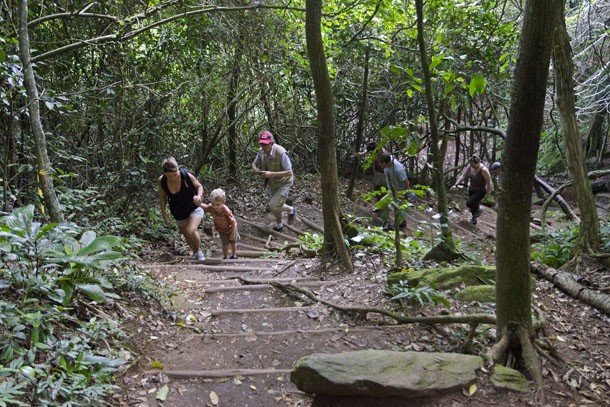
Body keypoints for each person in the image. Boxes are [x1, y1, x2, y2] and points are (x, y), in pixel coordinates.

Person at [159, 157, 206, 260]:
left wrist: (199, 196)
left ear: (177, 170)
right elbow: (162, 197)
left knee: (191, 230)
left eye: (174, 175)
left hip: (193, 207)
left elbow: (199, 186)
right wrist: (164, 213)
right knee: (186, 234)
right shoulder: (162, 180)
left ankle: (199, 252)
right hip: (178, 212)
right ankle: (195, 253)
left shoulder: (186, 176)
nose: (172, 178)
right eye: (169, 176)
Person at [251, 130, 296, 232]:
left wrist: (271, 174)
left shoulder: (281, 152)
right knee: (275, 205)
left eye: (266, 145)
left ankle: (290, 210)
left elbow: (289, 172)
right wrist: (255, 169)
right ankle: (279, 224)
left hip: (284, 182)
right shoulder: (261, 151)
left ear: (272, 143)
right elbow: (254, 163)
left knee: (272, 206)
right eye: (262, 144)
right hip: (272, 183)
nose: (263, 147)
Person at [450, 155, 494, 225]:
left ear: (478, 163)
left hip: (480, 191)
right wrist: (456, 184)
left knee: (469, 203)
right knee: (473, 205)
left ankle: (478, 211)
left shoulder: (484, 170)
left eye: (473, 164)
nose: (472, 166)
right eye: (471, 164)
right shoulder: (470, 166)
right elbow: (463, 176)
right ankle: (474, 219)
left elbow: (489, 183)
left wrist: (487, 194)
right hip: (472, 189)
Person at [199, 188, 239, 260]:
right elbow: (205, 207)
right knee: (225, 244)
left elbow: (233, 221)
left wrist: (233, 233)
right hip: (221, 230)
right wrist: (198, 203)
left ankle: (234, 255)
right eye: (213, 204)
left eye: (218, 204)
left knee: (233, 242)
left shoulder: (226, 211)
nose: (215, 206)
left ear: (223, 202)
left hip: (231, 228)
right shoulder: (211, 208)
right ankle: (225, 257)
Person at [379, 152, 411, 229]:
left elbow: (407, 182)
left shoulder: (398, 170)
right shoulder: (389, 157)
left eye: (382, 164)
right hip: (391, 189)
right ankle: (386, 223)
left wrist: (406, 195)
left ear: (387, 163)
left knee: (399, 208)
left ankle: (401, 224)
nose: (380, 165)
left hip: (400, 190)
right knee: (383, 204)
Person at [354, 141, 391, 206]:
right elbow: (366, 152)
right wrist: (360, 154)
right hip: (378, 173)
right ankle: (379, 206)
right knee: (377, 190)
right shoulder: (376, 151)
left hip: (384, 174)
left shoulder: (382, 153)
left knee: (383, 192)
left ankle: (383, 209)